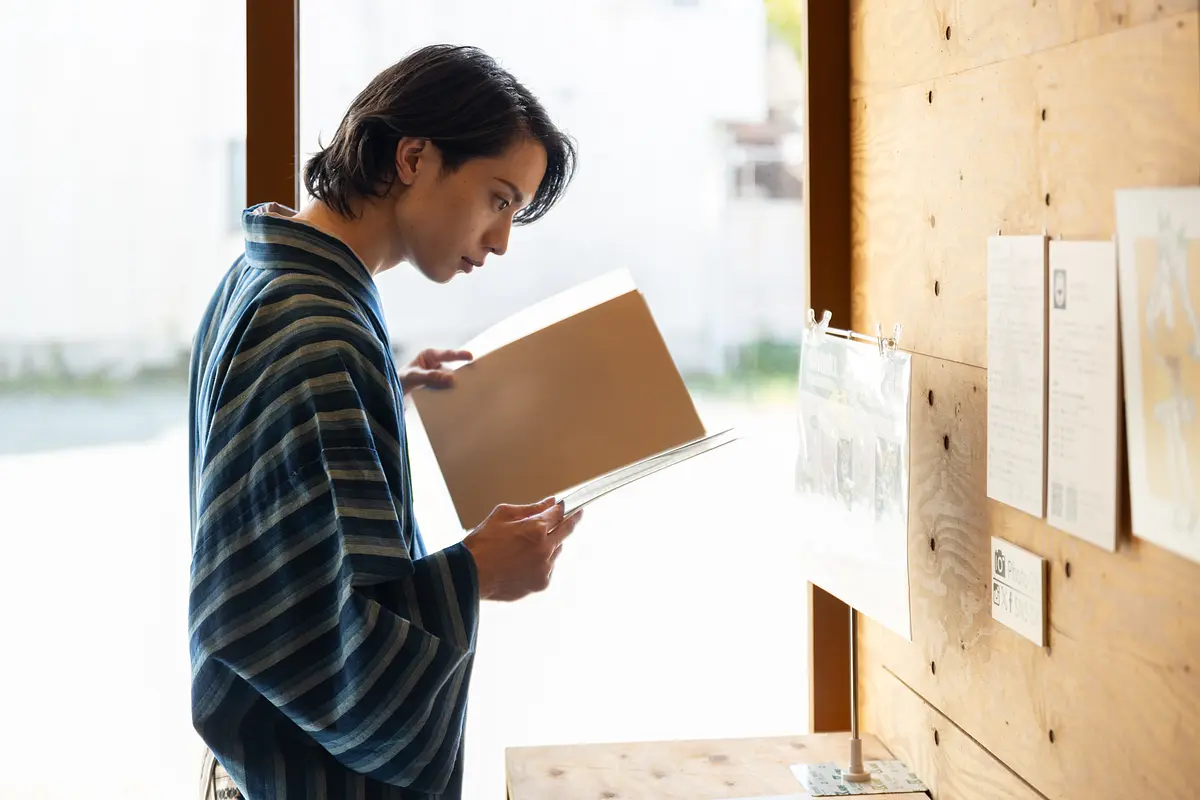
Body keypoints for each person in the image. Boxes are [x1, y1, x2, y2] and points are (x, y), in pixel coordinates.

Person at [188, 44, 582, 800]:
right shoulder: (317, 330)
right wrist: (474, 573)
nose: (501, 239)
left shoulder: (270, 272)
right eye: (498, 199)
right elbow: (292, 628)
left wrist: (372, 396)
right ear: (413, 158)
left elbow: (265, 482)